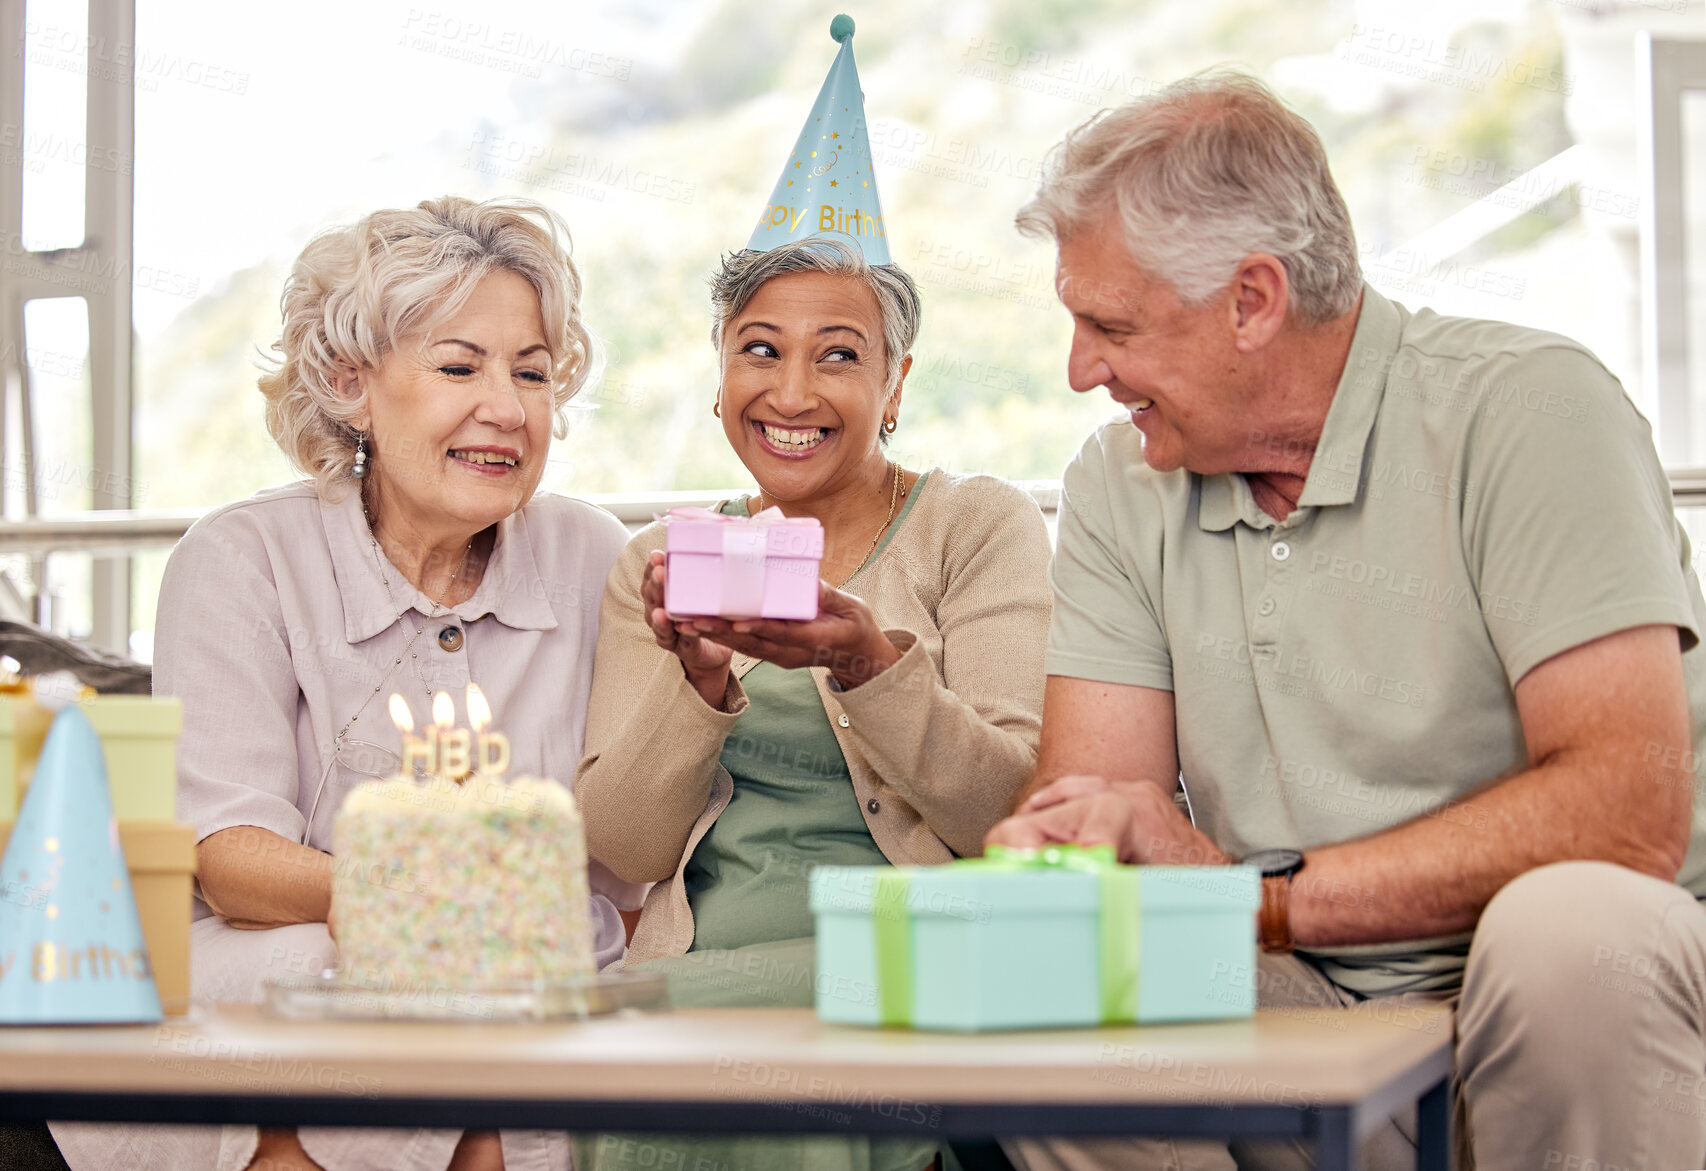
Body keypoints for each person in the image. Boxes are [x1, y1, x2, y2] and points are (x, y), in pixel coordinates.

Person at [985, 71, 1706, 1171]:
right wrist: (1069, 852)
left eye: (1108, 325)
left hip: (1589, 999)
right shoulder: (1118, 482)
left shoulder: (1528, 410)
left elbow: (1625, 809)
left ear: (1251, 301)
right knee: (1063, 967)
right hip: (1314, 1000)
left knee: (1563, 933)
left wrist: (1250, 902)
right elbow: (1093, 823)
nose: (1081, 369)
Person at [51, 196, 638, 1171]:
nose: (506, 406)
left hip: (524, 972)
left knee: (536, 1008)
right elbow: (231, 856)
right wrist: (434, 901)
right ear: (348, 382)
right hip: (283, 954)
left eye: (531, 373)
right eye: (459, 366)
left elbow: (623, 860)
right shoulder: (241, 557)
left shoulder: (591, 556)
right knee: (348, 977)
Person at [573, 234, 1052, 1171]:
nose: (791, 393)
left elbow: (1011, 813)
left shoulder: (974, 525)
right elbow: (625, 847)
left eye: (838, 354)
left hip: (920, 952)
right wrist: (699, 681)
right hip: (700, 961)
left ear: (897, 384)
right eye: (759, 349)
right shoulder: (661, 560)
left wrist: (872, 664)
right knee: (629, 1049)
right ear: (718, 372)